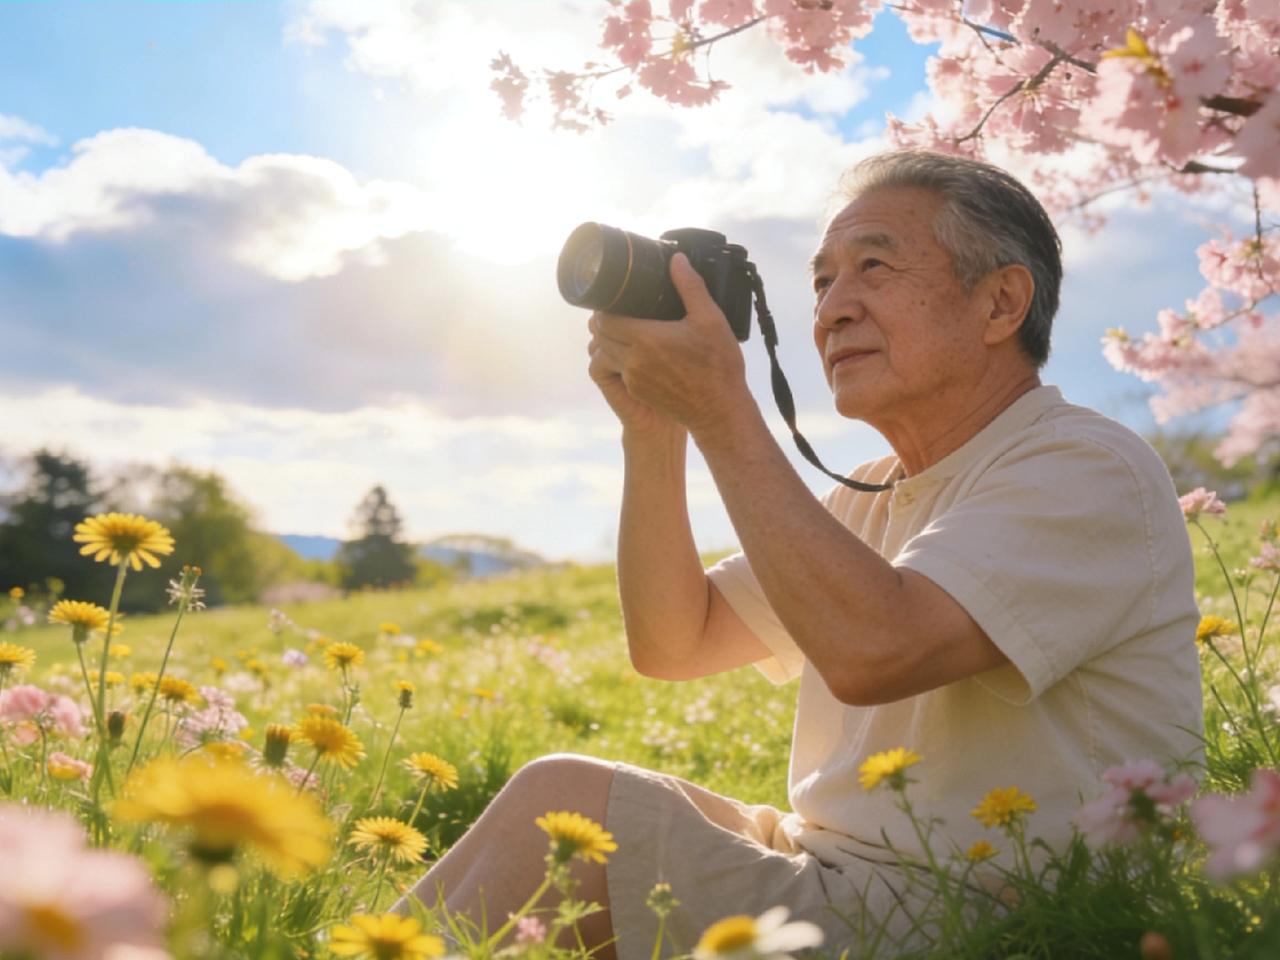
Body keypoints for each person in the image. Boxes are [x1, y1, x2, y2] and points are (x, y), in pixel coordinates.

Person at [399, 151, 1203, 958]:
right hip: (852, 878)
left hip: (997, 914)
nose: (831, 312)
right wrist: (655, 432)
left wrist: (722, 410)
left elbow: (876, 649)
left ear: (1000, 302)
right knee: (567, 807)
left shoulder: (1084, 466)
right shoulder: (873, 491)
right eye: (821, 283)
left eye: (873, 267)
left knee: (566, 805)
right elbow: (675, 643)